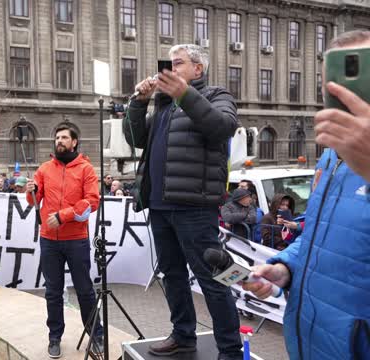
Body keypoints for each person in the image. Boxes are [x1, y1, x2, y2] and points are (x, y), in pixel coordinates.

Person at [243, 30, 370, 359]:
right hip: (309, 340)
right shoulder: (331, 155)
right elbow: (321, 233)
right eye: (336, 75)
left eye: (359, 72)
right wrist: (286, 268)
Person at [123, 44, 241, 359]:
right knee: (171, 274)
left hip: (195, 209)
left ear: (198, 69)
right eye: (169, 64)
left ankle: (230, 348)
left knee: (213, 279)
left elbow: (222, 127)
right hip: (160, 206)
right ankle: (183, 334)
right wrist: (139, 102)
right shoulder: (162, 105)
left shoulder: (218, 96)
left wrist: (185, 95)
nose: (171, 69)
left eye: (178, 64)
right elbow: (135, 140)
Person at [26, 123, 103, 358]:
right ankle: (54, 337)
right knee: (52, 291)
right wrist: (30, 190)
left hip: (76, 240)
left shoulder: (86, 169)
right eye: (57, 137)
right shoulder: (44, 169)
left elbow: (92, 201)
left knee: (85, 291)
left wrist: (63, 216)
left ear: (74, 142)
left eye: (64, 137)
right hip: (49, 241)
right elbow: (33, 202)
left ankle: (96, 335)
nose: (59, 141)